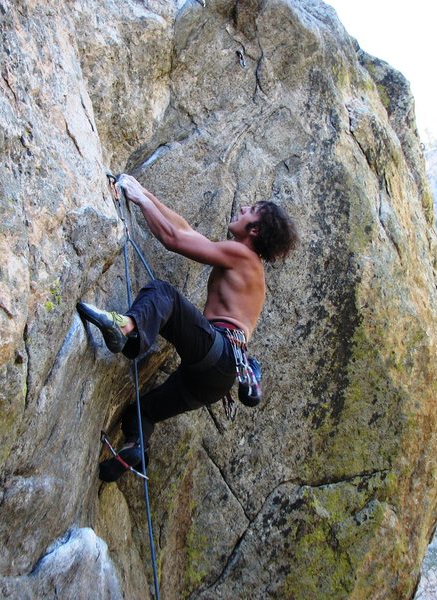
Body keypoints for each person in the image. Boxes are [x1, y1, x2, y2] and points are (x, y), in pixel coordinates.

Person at [77, 174, 297, 482]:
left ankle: (125, 327)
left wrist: (139, 198)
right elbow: (185, 229)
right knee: (143, 412)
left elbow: (174, 239)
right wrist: (142, 192)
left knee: (164, 294)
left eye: (249, 210)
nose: (242, 207)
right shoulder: (248, 265)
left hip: (219, 351)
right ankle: (135, 448)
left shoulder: (243, 255)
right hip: (217, 380)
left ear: (254, 230)